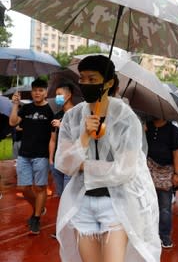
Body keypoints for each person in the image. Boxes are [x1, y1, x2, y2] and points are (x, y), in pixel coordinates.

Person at [54, 55, 160, 262]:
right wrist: (84, 136)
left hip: (116, 205)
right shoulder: (72, 117)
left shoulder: (126, 119)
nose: (85, 84)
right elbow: (64, 164)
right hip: (82, 204)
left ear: (109, 82)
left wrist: (83, 166)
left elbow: (125, 170)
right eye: (82, 79)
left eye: (92, 79)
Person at [9, 78, 54, 235]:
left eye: (41, 90)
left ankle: (35, 218)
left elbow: (54, 136)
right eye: (35, 90)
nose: (37, 93)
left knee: (40, 188)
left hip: (41, 156)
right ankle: (39, 208)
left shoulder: (50, 111)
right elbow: (13, 122)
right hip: (24, 155)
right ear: (32, 92)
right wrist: (15, 105)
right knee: (24, 188)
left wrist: (51, 156)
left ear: (46, 92)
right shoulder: (26, 108)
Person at [145, 117, 178, 249]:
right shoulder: (146, 126)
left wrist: (177, 173)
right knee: (147, 205)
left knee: (165, 207)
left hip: (167, 171)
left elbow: (176, 152)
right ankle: (149, 235)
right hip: (148, 169)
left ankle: (164, 236)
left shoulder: (173, 130)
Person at [49, 81, 76, 197]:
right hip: (57, 161)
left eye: (59, 94)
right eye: (56, 95)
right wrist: (51, 159)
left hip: (70, 162)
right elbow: (53, 139)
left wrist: (63, 126)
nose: (57, 98)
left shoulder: (78, 113)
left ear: (68, 95)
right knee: (60, 195)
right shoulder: (57, 115)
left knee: (68, 197)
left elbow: (79, 138)